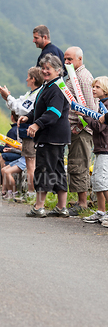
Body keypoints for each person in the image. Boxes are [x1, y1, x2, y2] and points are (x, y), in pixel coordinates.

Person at [18, 54, 71, 218]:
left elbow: (53, 113)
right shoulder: (51, 85)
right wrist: (29, 116)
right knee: (57, 170)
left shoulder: (56, 89)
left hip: (50, 135)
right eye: (43, 68)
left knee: (44, 170)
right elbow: (41, 109)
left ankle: (39, 207)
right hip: (58, 136)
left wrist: (36, 124)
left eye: (48, 68)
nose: (45, 71)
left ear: (58, 70)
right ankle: (62, 208)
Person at [0, 66, 44, 199]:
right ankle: (30, 192)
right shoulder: (30, 93)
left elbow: (20, 109)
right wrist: (8, 98)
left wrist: (8, 97)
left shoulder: (36, 94)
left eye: (28, 77)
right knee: (30, 162)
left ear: (33, 79)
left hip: (31, 132)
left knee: (31, 163)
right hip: (27, 133)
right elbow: (17, 104)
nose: (26, 79)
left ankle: (31, 193)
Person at [64, 46, 96, 216]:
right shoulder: (73, 76)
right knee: (75, 163)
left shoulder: (83, 78)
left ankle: (82, 203)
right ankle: (79, 200)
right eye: (65, 59)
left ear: (79, 59)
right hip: (75, 130)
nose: (67, 62)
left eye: (70, 59)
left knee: (79, 164)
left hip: (82, 131)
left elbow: (91, 108)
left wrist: (79, 127)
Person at [75, 77, 108, 223]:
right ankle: (101, 212)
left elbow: (100, 126)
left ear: (105, 89)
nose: (93, 89)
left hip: (105, 149)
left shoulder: (106, 106)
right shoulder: (101, 104)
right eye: (93, 86)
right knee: (96, 181)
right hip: (100, 148)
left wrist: (85, 116)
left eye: (97, 87)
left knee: (103, 181)